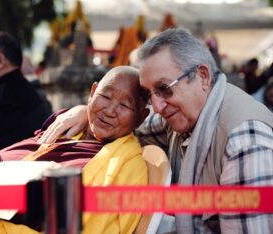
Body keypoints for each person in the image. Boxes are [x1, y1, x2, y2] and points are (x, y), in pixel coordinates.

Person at [38, 28, 273, 233]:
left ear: (202, 76)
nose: (157, 107)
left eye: (164, 88)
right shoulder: (179, 117)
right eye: (150, 94)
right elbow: (128, 125)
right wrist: (86, 111)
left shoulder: (244, 140)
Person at [0, 66, 149, 234]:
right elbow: (22, 158)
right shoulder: (66, 125)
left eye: (124, 105)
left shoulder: (127, 165)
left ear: (141, 117)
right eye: (105, 97)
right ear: (93, 92)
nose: (109, 110)